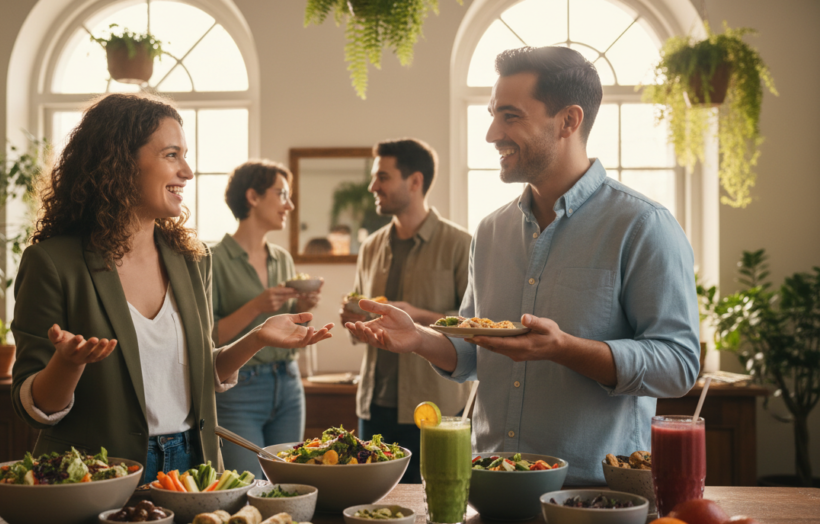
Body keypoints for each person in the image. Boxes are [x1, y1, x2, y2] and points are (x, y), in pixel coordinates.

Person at [345, 47, 700, 485]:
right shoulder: (491, 231)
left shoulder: (643, 225)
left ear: (568, 121)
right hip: (488, 483)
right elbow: (475, 351)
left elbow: (680, 364)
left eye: (510, 116)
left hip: (594, 496)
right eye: (493, 114)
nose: (492, 133)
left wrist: (564, 348)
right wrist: (417, 337)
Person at [10, 94, 334, 484]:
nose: (188, 171)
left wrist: (257, 339)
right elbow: (33, 407)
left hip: (192, 466)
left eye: (185, 155)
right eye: (171, 155)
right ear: (119, 162)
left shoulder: (192, 260)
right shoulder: (52, 262)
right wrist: (68, 363)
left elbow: (198, 375)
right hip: (100, 477)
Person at [340, 138, 474, 484]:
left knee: (434, 500)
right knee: (371, 499)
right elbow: (366, 322)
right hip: (373, 405)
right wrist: (353, 321)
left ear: (414, 182)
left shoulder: (461, 245)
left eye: (382, 177)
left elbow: (474, 325)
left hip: (435, 406)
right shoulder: (370, 247)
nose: (373, 186)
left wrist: (417, 315)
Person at [211, 160, 323, 478]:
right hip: (239, 390)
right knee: (246, 488)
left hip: (288, 384)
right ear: (253, 197)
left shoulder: (283, 259)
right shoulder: (213, 261)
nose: (290, 204)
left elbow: (287, 329)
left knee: (289, 484)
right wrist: (256, 306)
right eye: (282, 194)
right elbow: (209, 337)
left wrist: (304, 304)